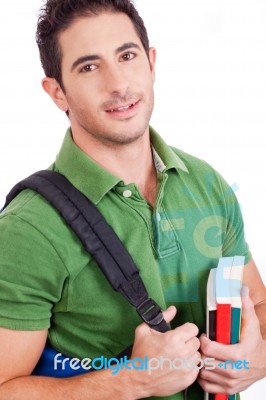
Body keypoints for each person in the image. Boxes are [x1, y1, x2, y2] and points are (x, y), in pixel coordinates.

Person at [0, 0, 265, 399]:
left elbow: (258, 303)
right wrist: (131, 381)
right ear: (57, 92)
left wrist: (257, 358)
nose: (118, 83)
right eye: (89, 67)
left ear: (151, 63)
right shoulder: (29, 228)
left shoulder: (206, 183)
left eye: (127, 55)